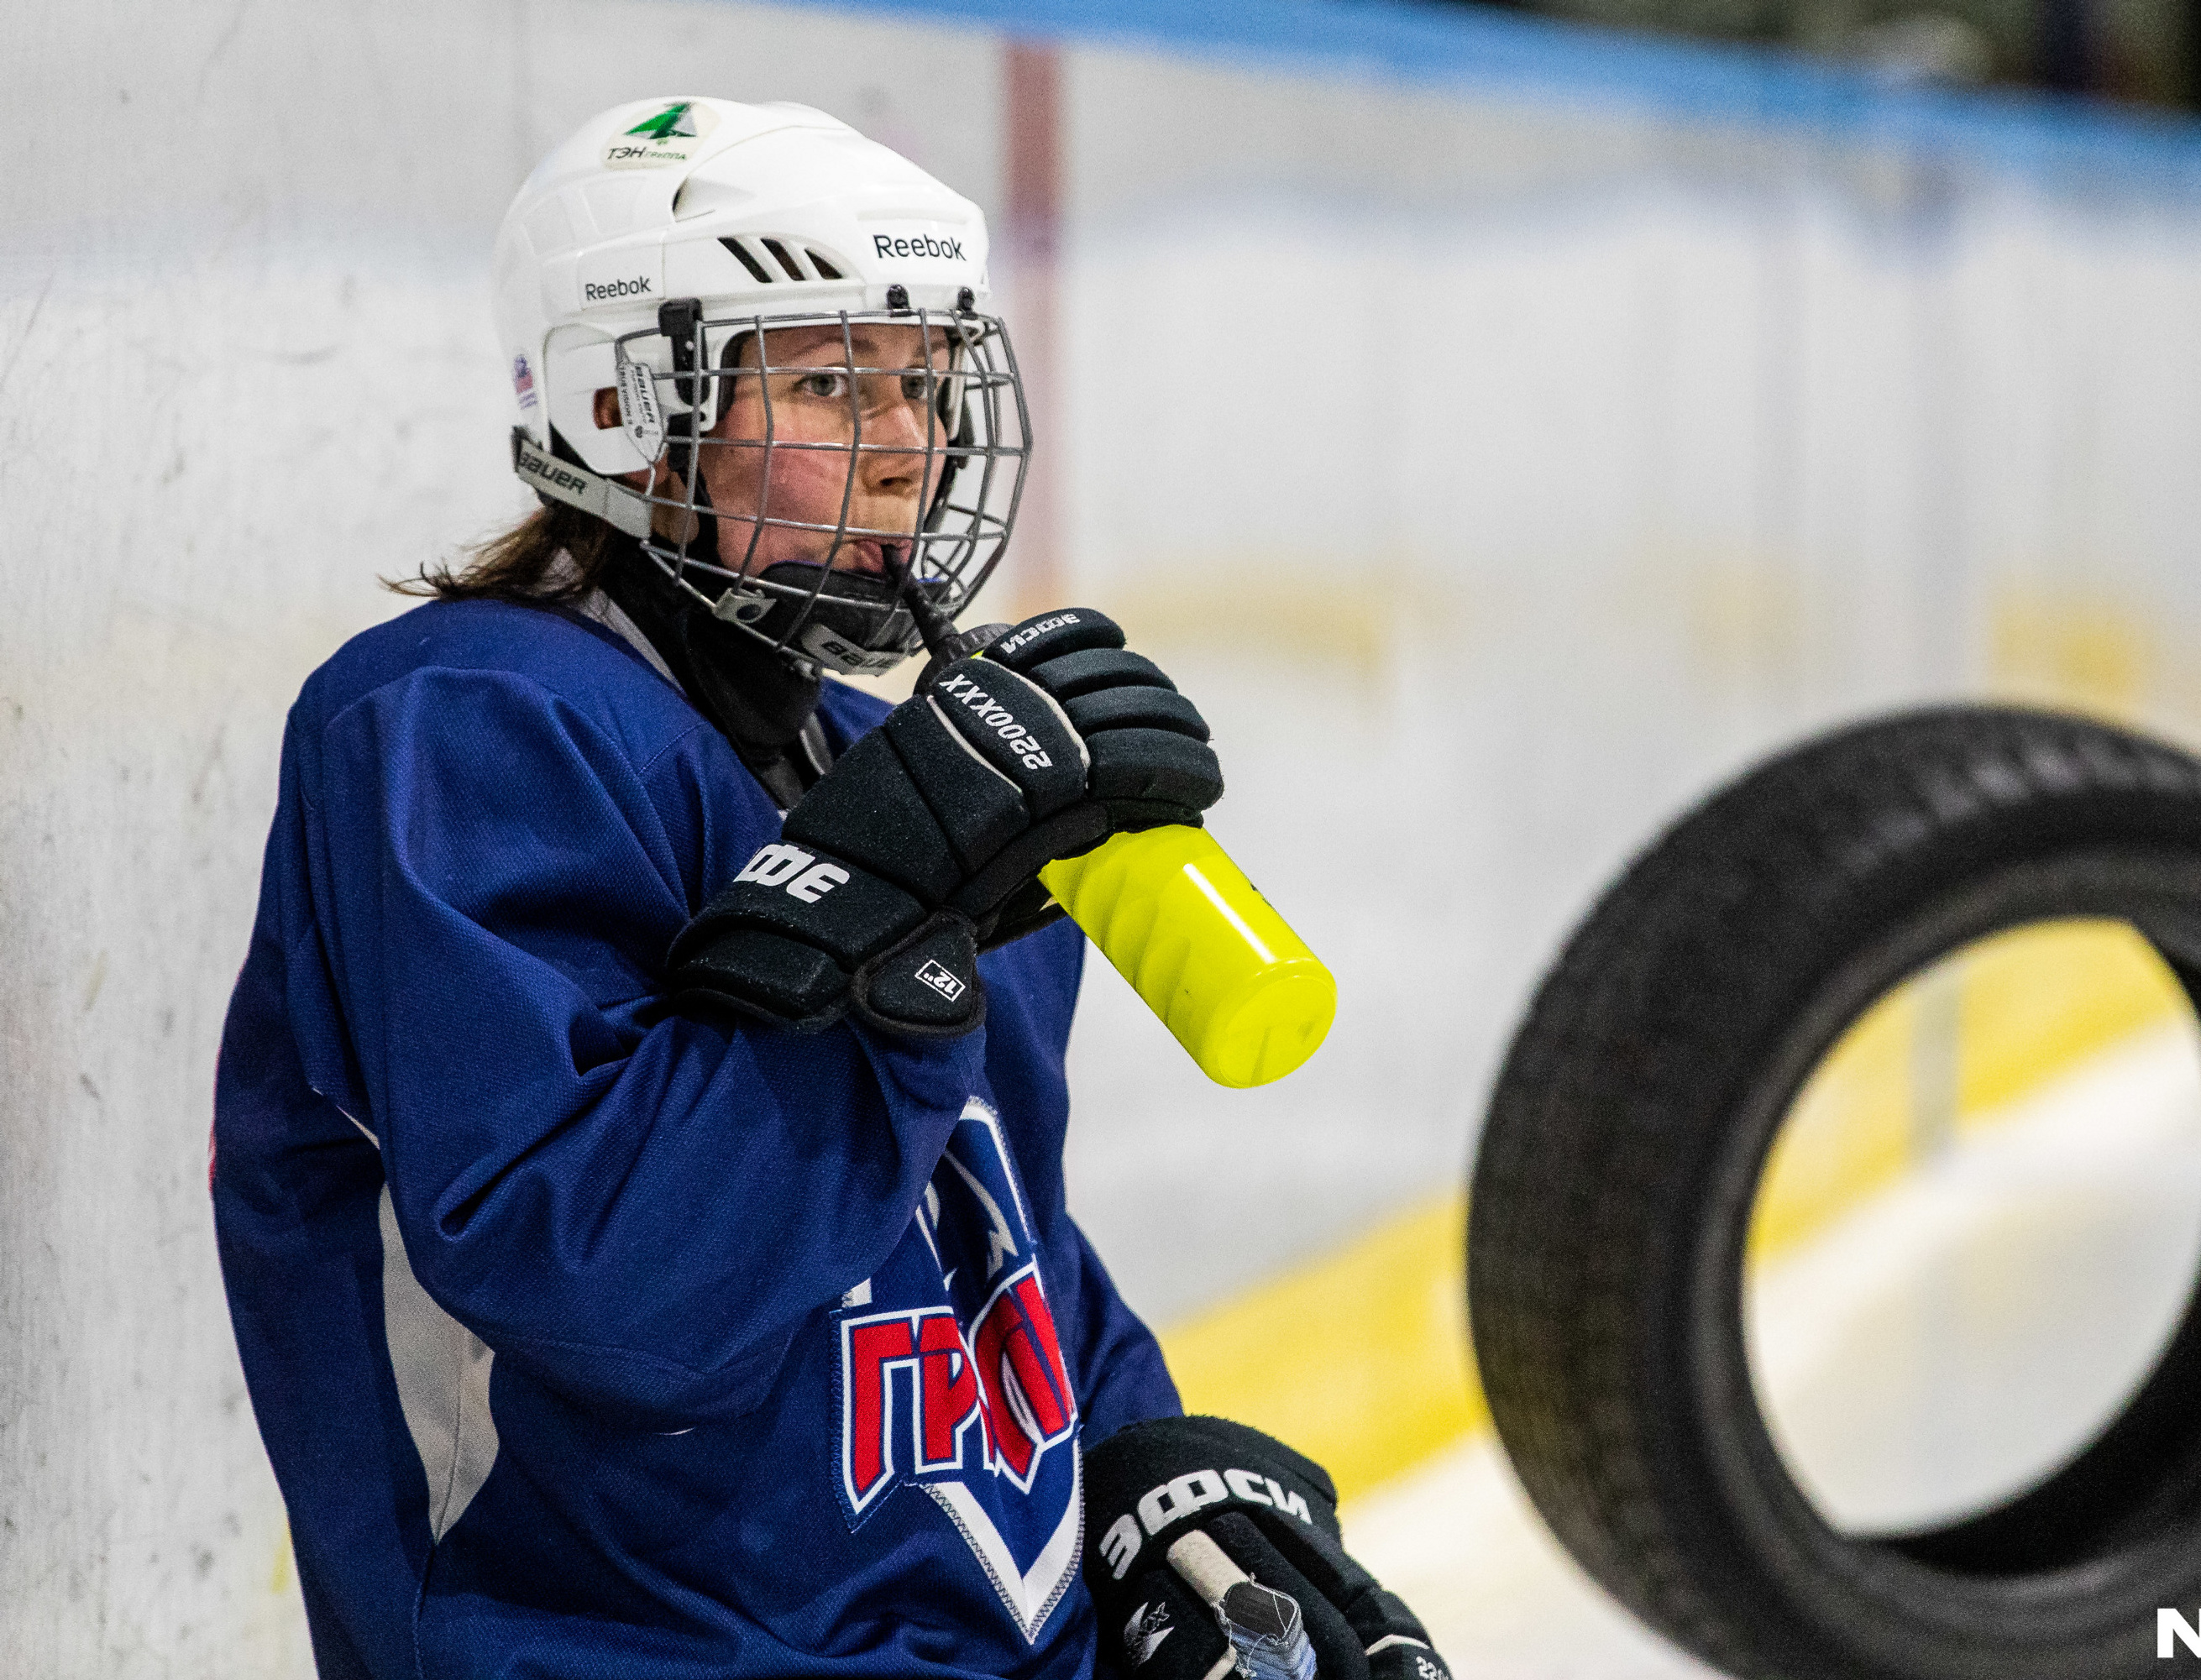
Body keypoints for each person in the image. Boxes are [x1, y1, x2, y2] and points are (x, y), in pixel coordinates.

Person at [212, 97, 1452, 1680]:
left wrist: (1150, 1474)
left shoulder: (898, 758)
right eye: (826, 382)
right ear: (621, 405)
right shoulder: (467, 720)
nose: (909, 447)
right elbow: (607, 1288)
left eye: (925, 382)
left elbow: (995, 1236)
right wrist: (874, 890)